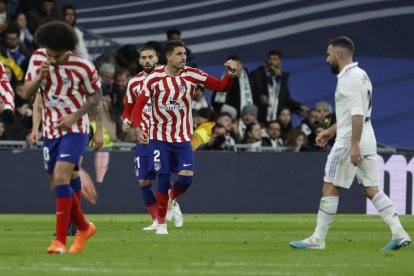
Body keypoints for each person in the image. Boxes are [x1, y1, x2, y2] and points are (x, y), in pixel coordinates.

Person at [289, 36, 411, 250]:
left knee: (330, 186)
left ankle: (318, 239)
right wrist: (329, 130)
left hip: (349, 140)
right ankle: (399, 233)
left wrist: (353, 145)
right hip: (367, 135)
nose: (326, 59)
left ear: (339, 54)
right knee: (371, 189)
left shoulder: (348, 79)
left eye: (328, 55)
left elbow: (357, 113)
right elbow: (354, 114)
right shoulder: (361, 74)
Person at [132, 40, 237, 234]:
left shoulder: (192, 74)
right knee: (162, 178)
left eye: (184, 54)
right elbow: (138, 107)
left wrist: (230, 74)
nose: (184, 57)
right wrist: (139, 129)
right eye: (179, 54)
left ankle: (171, 197)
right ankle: (162, 224)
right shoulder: (154, 78)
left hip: (182, 138)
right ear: (169, 56)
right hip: (158, 137)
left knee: (186, 179)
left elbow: (221, 87)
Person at [22, 21, 102, 254]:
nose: (51, 57)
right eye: (48, 52)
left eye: (55, 55)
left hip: (76, 129)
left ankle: (60, 240)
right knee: (57, 181)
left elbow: (96, 97)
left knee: (61, 175)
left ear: (67, 49)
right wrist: (40, 76)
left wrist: (77, 118)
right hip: (51, 131)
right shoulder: (38, 58)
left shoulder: (83, 67)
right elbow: (27, 93)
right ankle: (84, 227)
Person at [122, 45, 183, 230]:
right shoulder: (134, 83)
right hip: (142, 136)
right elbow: (128, 109)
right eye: (143, 58)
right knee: (143, 180)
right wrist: (126, 120)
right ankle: (156, 220)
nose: (147, 60)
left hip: (161, 134)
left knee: (161, 176)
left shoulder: (169, 77)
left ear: (157, 59)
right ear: (139, 61)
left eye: (150, 57)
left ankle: (173, 204)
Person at [250, 49, 308, 124]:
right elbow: (251, 91)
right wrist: (259, 96)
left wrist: (300, 106)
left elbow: (285, 99)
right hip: (261, 118)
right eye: (269, 59)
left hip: (277, 120)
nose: (271, 61)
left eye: (274, 59)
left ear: (280, 61)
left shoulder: (283, 78)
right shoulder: (257, 74)